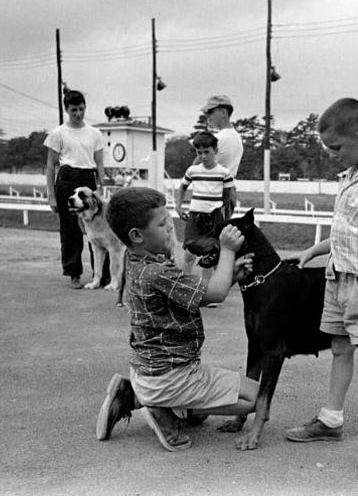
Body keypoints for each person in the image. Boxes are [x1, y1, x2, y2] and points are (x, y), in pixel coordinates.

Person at [283, 98, 358, 471]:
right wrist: (313, 251)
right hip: (337, 276)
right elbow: (348, 233)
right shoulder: (350, 176)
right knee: (339, 347)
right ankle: (331, 419)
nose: (332, 155)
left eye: (336, 148)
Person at [95, 187, 257, 451]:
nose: (170, 228)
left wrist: (230, 277)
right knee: (256, 398)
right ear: (136, 235)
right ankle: (160, 409)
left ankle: (136, 395)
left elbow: (190, 291)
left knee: (202, 413)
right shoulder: (158, 272)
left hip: (147, 370)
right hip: (173, 377)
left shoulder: (137, 259)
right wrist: (227, 251)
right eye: (162, 224)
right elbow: (214, 294)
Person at [45, 89, 106, 289]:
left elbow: (98, 162)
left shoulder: (95, 133)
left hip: (87, 180)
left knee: (97, 230)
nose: (78, 114)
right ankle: (74, 273)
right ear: (66, 110)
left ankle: (101, 275)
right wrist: (52, 196)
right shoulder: (58, 134)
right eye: (74, 110)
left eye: (81, 109)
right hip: (67, 180)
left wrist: (101, 185)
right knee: (71, 232)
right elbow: (50, 166)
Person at [174, 132, 234, 276]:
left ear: (216, 151)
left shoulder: (224, 173)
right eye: (199, 152)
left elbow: (228, 199)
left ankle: (208, 292)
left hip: (214, 218)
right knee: (189, 254)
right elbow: (182, 187)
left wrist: (225, 219)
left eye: (207, 152)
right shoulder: (192, 170)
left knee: (209, 257)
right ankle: (185, 287)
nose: (203, 156)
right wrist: (178, 206)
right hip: (195, 217)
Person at [201, 95, 243, 219]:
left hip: (213, 192)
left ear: (224, 112)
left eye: (210, 112)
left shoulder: (217, 139)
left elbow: (196, 167)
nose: (207, 116)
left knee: (200, 236)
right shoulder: (236, 137)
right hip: (229, 190)